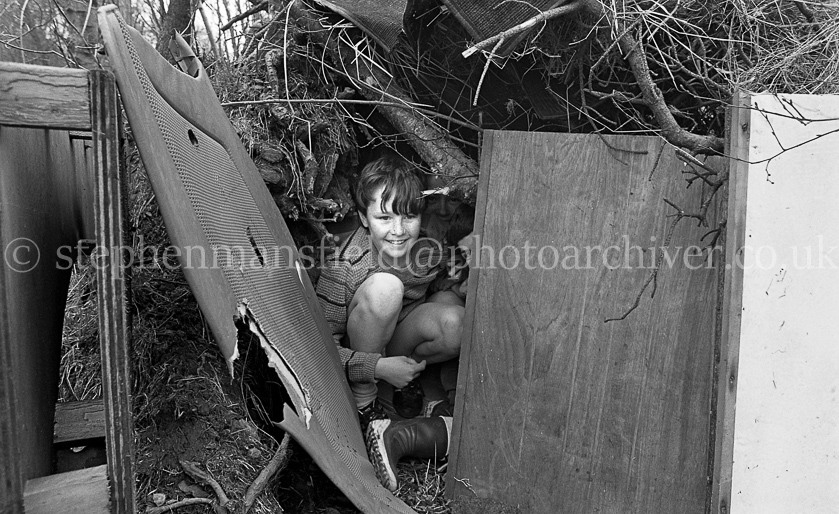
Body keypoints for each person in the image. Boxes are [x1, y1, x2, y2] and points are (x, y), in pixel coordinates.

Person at [315, 154, 465, 431]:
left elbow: (437, 284)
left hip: (397, 335)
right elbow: (321, 349)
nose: (398, 231)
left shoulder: (428, 250)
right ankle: (365, 399)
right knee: (387, 288)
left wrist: (457, 285)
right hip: (360, 341)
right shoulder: (345, 265)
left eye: (409, 217)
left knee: (457, 320)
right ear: (363, 217)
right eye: (384, 217)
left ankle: (405, 376)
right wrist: (376, 368)